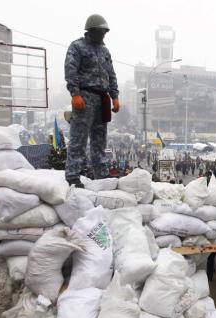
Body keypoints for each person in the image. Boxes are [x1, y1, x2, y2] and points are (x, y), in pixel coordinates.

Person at [64, 14, 119, 188]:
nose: (104, 35)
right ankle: (73, 175)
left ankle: (101, 174)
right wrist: (75, 93)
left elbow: (111, 74)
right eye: (101, 32)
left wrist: (115, 96)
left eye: (105, 32)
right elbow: (70, 70)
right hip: (84, 97)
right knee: (78, 138)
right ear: (92, 31)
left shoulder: (105, 51)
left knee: (99, 140)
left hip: (102, 98)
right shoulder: (77, 47)